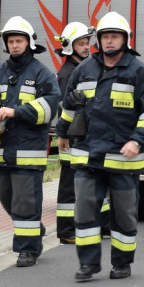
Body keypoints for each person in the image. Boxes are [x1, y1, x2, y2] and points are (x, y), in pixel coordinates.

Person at [55, 11, 144, 282]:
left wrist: (137, 141)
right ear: (99, 40)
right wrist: (62, 132)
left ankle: (122, 263)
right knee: (85, 212)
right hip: (87, 156)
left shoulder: (139, 72)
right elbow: (69, 105)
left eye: (115, 36)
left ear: (125, 40)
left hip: (123, 161)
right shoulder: (84, 69)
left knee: (124, 215)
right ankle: (88, 264)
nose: (110, 41)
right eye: (105, 36)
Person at [0, 16, 59, 268]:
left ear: (29, 43)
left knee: (25, 203)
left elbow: (49, 107)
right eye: (11, 41)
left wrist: (15, 111)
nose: (14, 45)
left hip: (28, 153)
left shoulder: (42, 74)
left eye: (19, 40)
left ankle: (28, 250)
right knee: (7, 199)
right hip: (0, 153)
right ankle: (34, 229)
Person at [54, 21, 92, 244]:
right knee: (69, 184)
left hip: (83, 135)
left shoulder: (82, 70)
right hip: (70, 137)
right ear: (70, 46)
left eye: (87, 43)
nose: (86, 47)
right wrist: (64, 134)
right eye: (81, 43)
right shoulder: (67, 74)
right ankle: (66, 231)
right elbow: (64, 107)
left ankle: (103, 225)